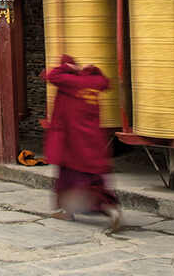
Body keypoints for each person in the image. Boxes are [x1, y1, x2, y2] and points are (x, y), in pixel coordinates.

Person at [43, 54, 122, 230]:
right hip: (94, 141)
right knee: (95, 180)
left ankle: (78, 210)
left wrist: (67, 68)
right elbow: (105, 81)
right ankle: (110, 208)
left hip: (72, 144)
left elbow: (52, 76)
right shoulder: (95, 84)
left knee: (71, 180)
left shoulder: (70, 83)